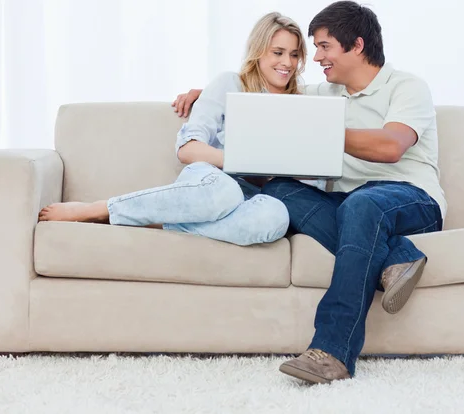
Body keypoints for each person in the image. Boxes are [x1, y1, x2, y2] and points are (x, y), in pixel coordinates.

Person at [174, 1, 446, 384]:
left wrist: (325, 128)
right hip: (351, 205)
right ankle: (397, 258)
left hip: (410, 196)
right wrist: (207, 93)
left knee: (363, 204)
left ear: (356, 45)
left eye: (323, 47)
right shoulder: (324, 93)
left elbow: (391, 147)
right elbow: (268, 92)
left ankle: (332, 351)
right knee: (280, 188)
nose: (315, 58)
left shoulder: (407, 86)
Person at [38, 12, 312, 247]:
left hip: (252, 198)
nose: (287, 63)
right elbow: (187, 148)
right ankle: (99, 209)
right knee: (225, 192)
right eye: (278, 52)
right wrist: (243, 160)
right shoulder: (230, 84)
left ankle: (159, 223)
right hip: (210, 182)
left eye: (294, 54)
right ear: (259, 51)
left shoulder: (302, 106)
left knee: (276, 217)